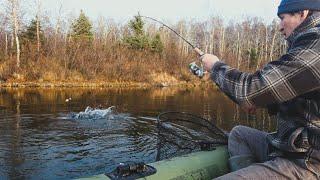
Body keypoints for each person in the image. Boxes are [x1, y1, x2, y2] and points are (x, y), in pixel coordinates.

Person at [199, 0, 320, 179]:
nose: (279, 27)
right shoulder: (307, 44)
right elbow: (306, 96)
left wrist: (215, 66)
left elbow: (250, 90)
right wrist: (266, 103)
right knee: (239, 134)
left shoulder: (316, 45)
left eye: (282, 18)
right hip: (292, 149)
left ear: (302, 13)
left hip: (310, 161)